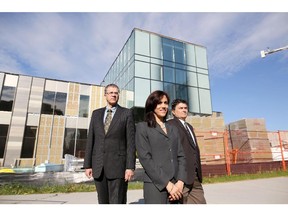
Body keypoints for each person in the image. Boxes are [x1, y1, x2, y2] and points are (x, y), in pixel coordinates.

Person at [83, 83, 136, 204]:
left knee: (117, 201)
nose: (113, 95)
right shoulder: (96, 114)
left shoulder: (127, 113)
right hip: (98, 166)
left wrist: (130, 167)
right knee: (102, 202)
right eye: (111, 92)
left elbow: (131, 143)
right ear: (105, 95)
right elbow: (91, 139)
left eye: (116, 93)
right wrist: (88, 165)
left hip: (118, 167)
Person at [135, 90, 186, 204]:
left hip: (176, 185)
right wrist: (167, 184)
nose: (163, 106)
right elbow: (145, 159)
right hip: (155, 185)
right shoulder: (142, 127)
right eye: (159, 103)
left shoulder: (173, 128)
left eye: (166, 103)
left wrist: (180, 181)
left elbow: (181, 155)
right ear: (152, 105)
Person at [168, 99, 206, 204]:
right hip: (181, 177)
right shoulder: (170, 125)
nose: (184, 110)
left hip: (195, 176)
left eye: (185, 108)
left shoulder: (189, 126)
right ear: (173, 112)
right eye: (181, 108)